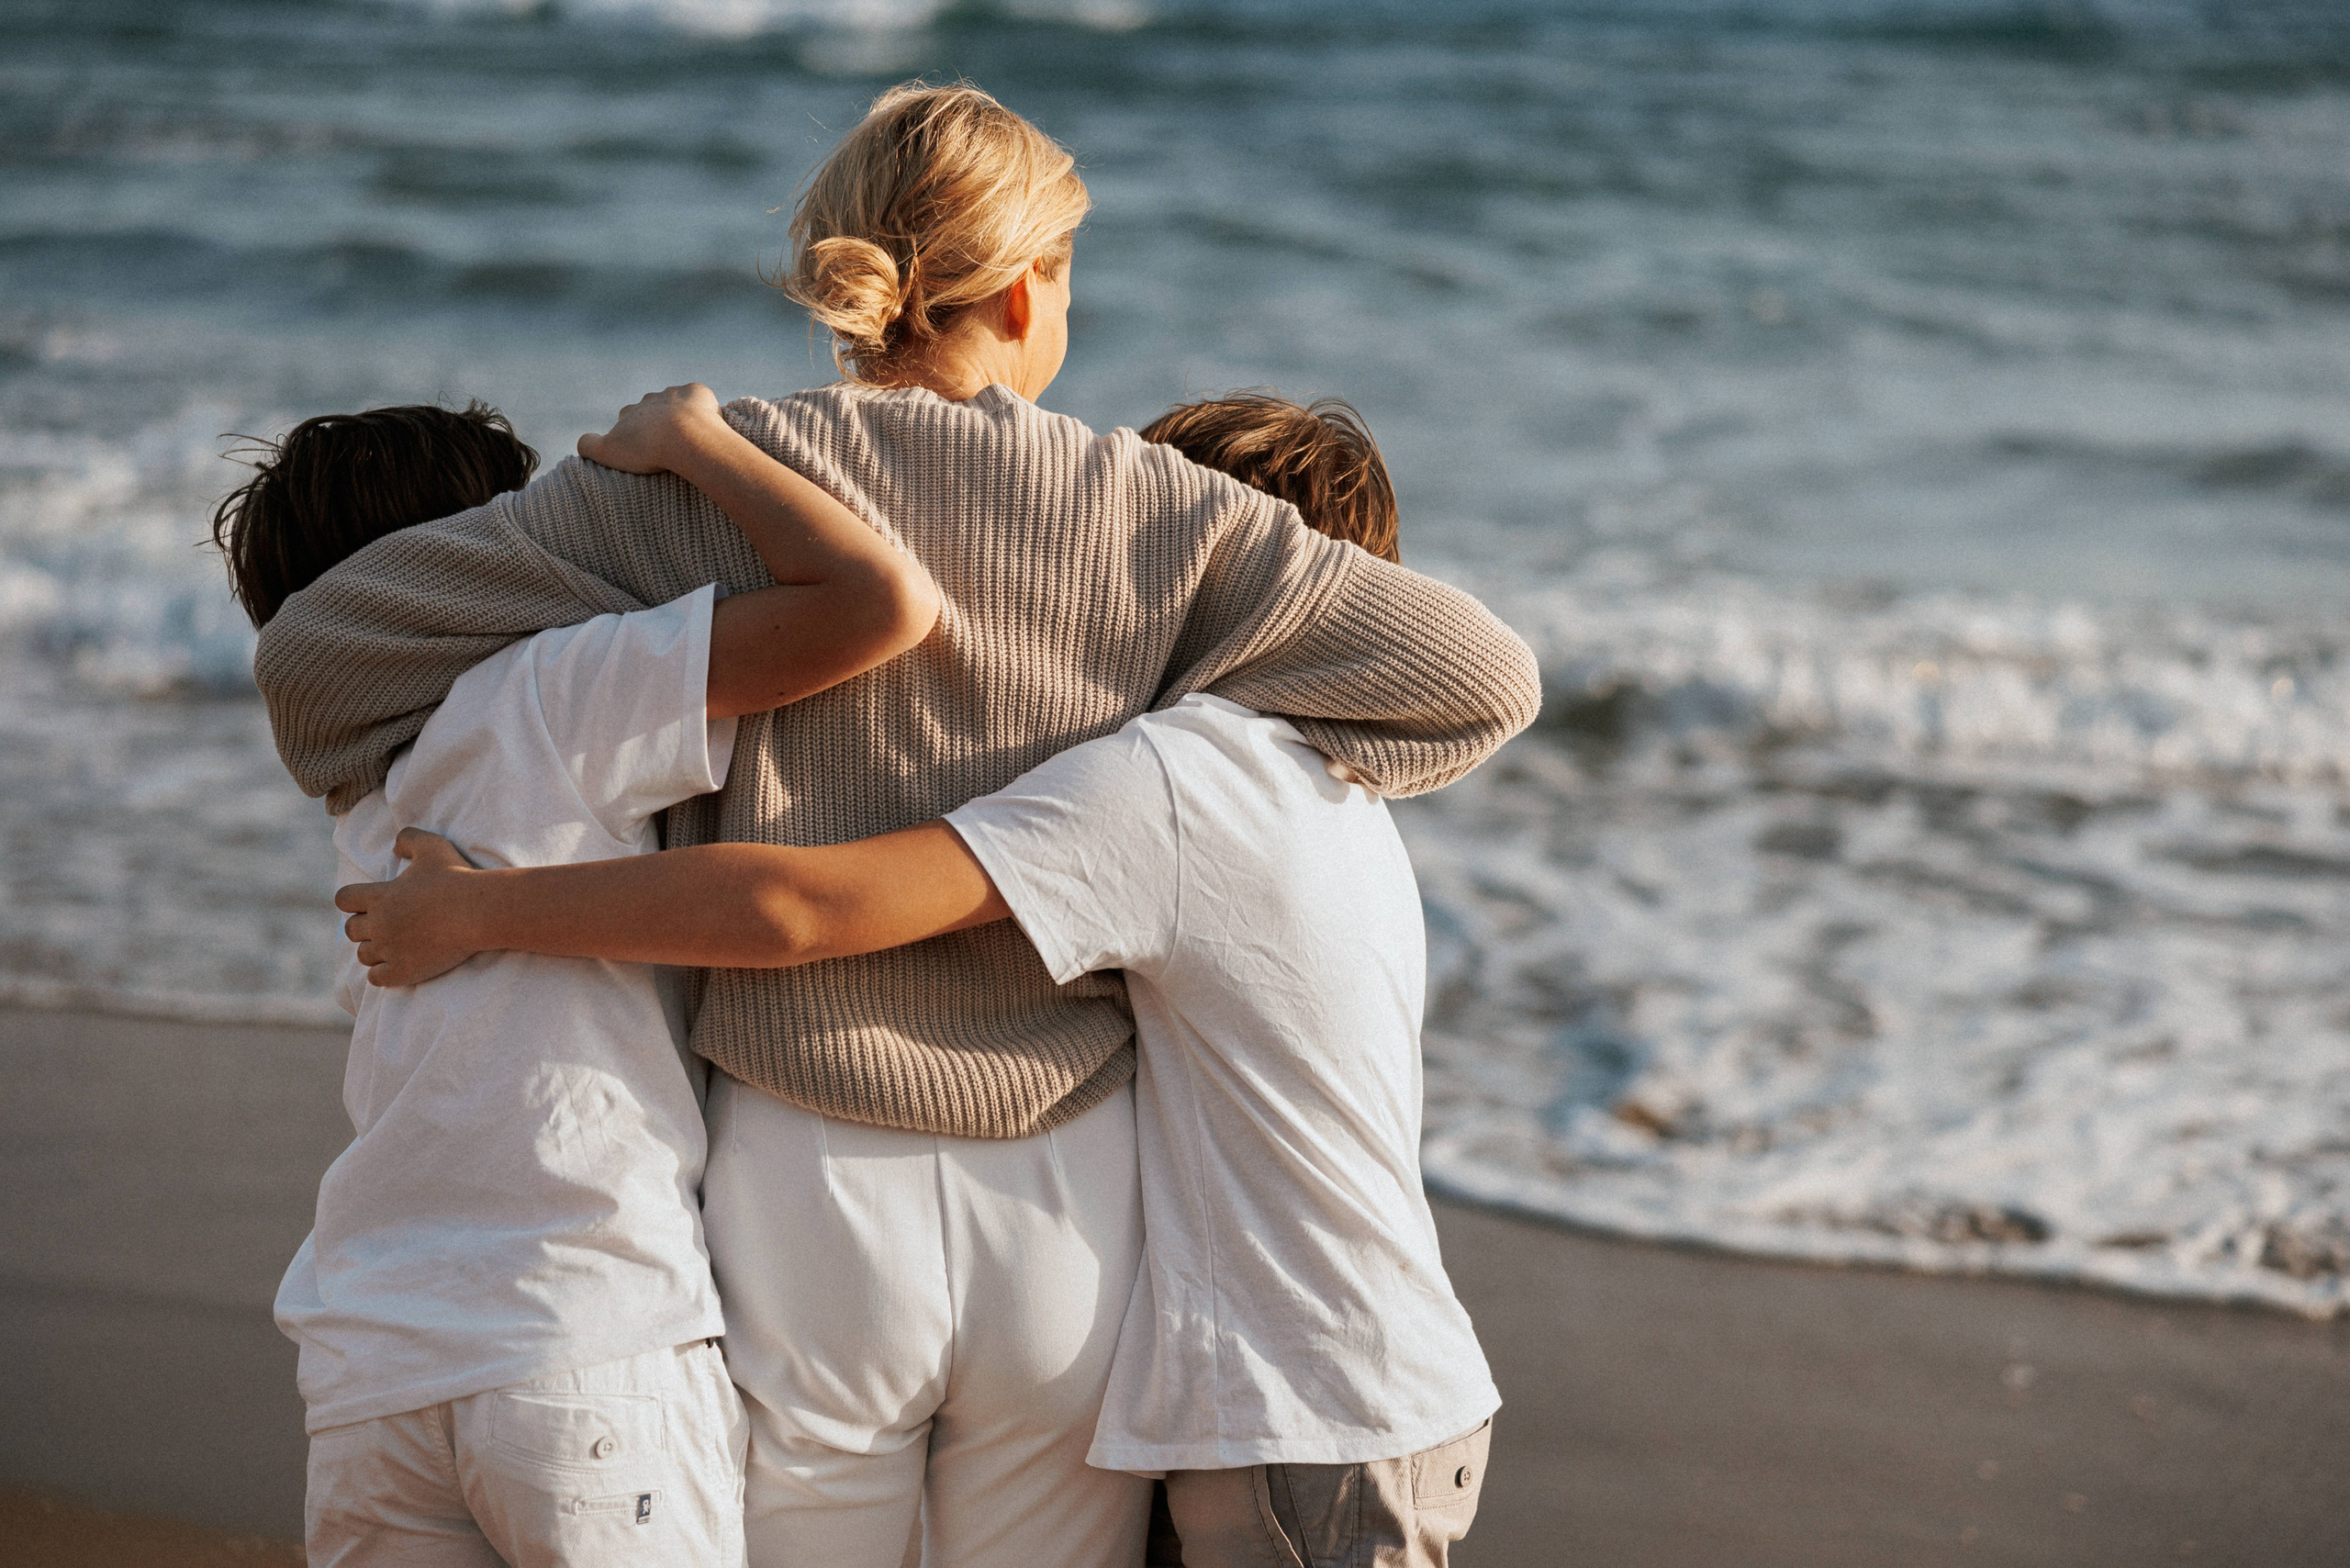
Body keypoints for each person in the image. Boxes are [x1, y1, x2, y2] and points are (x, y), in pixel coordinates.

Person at [255, 82, 1539, 1568]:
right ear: (1022, 285)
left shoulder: (710, 486)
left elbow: (320, 667)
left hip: (804, 1169)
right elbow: (1475, 686)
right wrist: (1191, 715)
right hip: (1066, 1170)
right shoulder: (1153, 511)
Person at [214, 388, 938, 1567]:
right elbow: (880, 603)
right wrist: (695, 447)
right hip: (575, 1329)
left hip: (367, 1362)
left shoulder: (362, 776)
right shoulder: (554, 684)